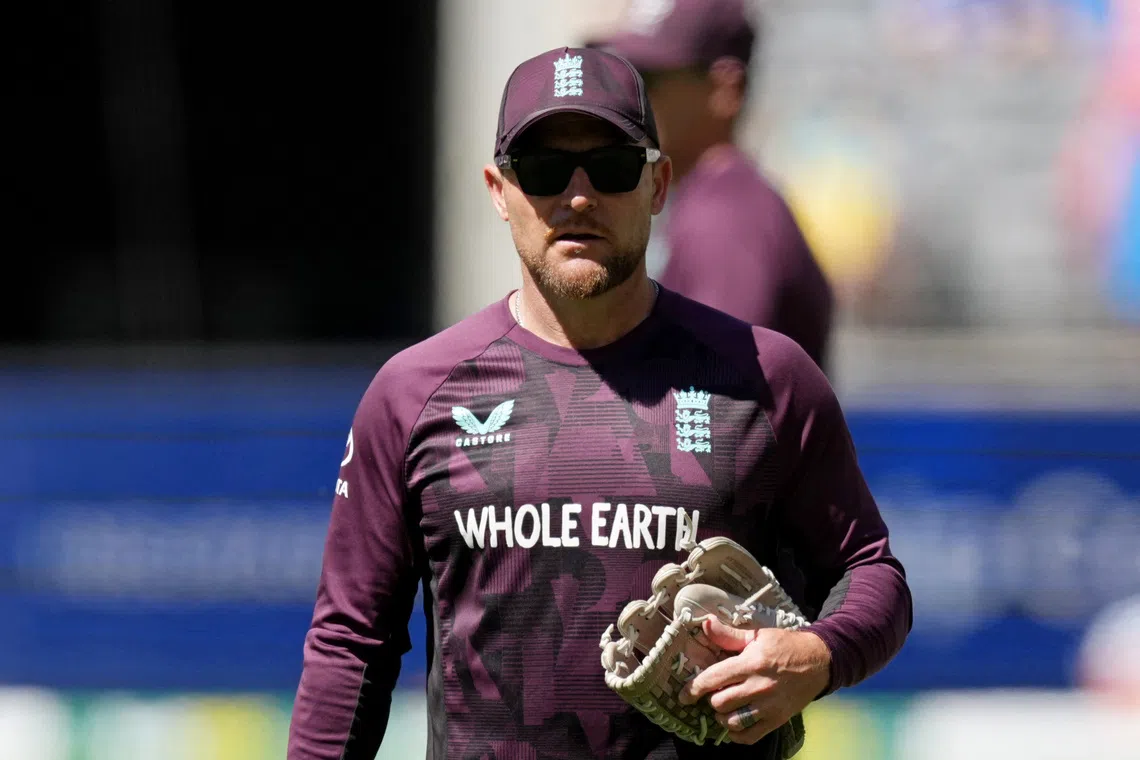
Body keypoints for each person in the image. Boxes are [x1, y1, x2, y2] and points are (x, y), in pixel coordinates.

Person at [286, 45, 911, 760]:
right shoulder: (413, 394)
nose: (578, 197)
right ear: (498, 189)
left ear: (658, 184)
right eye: (546, 170)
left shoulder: (766, 378)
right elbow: (350, 647)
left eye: (611, 168)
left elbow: (872, 573)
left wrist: (818, 655)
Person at [587, 0, 836, 372]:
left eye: (648, 79)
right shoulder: (713, 199)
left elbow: (719, 400)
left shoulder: (726, 218)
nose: (628, 97)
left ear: (724, 89)